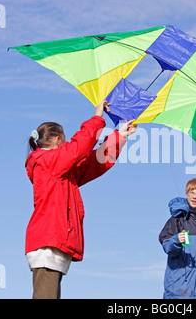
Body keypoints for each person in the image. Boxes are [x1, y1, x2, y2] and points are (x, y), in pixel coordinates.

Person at [25, 101, 136, 299]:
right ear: (58, 140)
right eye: (65, 140)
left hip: (54, 244)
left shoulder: (61, 169)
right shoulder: (45, 161)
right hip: (47, 245)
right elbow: (79, 148)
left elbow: (94, 162)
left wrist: (120, 135)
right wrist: (97, 117)